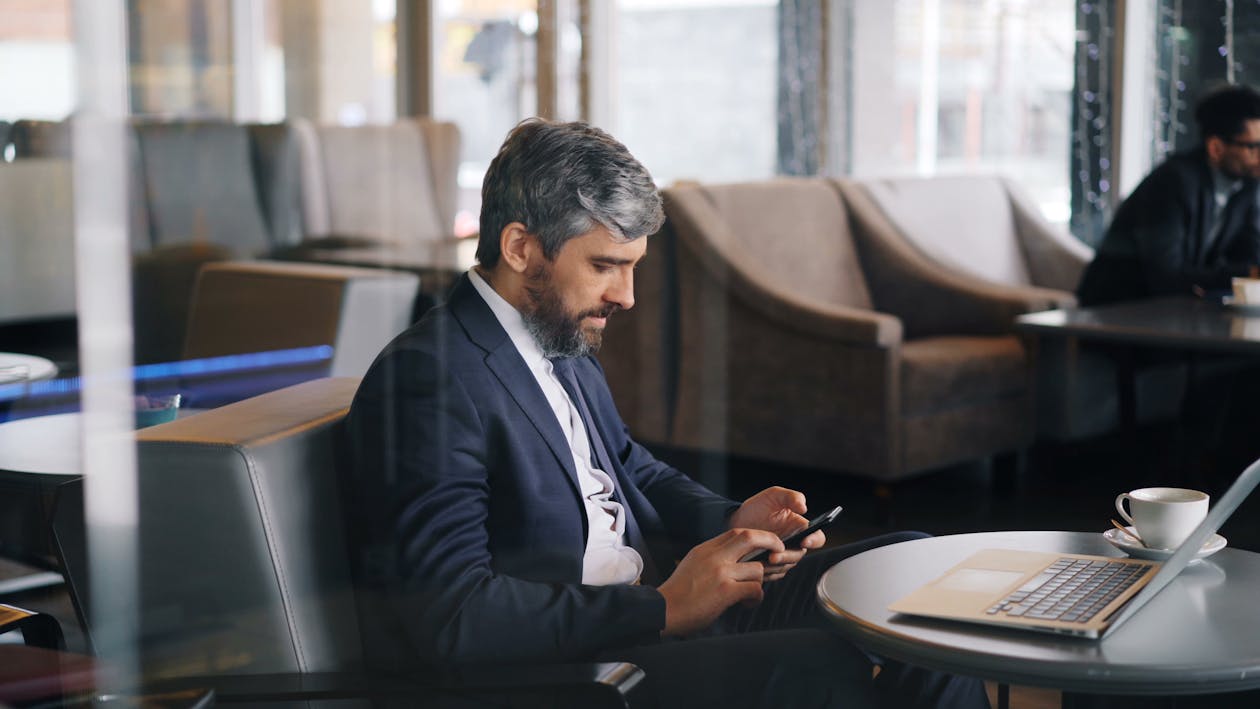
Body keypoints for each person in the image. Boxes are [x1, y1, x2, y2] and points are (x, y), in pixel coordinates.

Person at [343, 118, 989, 709]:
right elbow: (452, 615)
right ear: (519, 247)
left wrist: (733, 522)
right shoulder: (430, 378)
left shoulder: (555, 332)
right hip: (581, 668)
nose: (625, 296)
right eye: (606, 265)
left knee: (914, 573)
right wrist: (659, 608)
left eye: (633, 268)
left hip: (660, 611)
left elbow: (630, 467)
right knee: (820, 666)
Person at [1077, 84, 1260, 305]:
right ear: (1216, 148)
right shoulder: (1173, 182)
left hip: (1173, 312)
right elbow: (1165, 277)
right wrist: (1246, 272)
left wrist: (1248, 270)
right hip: (1116, 311)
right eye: (1253, 147)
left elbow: (1248, 256)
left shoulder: (1245, 186)